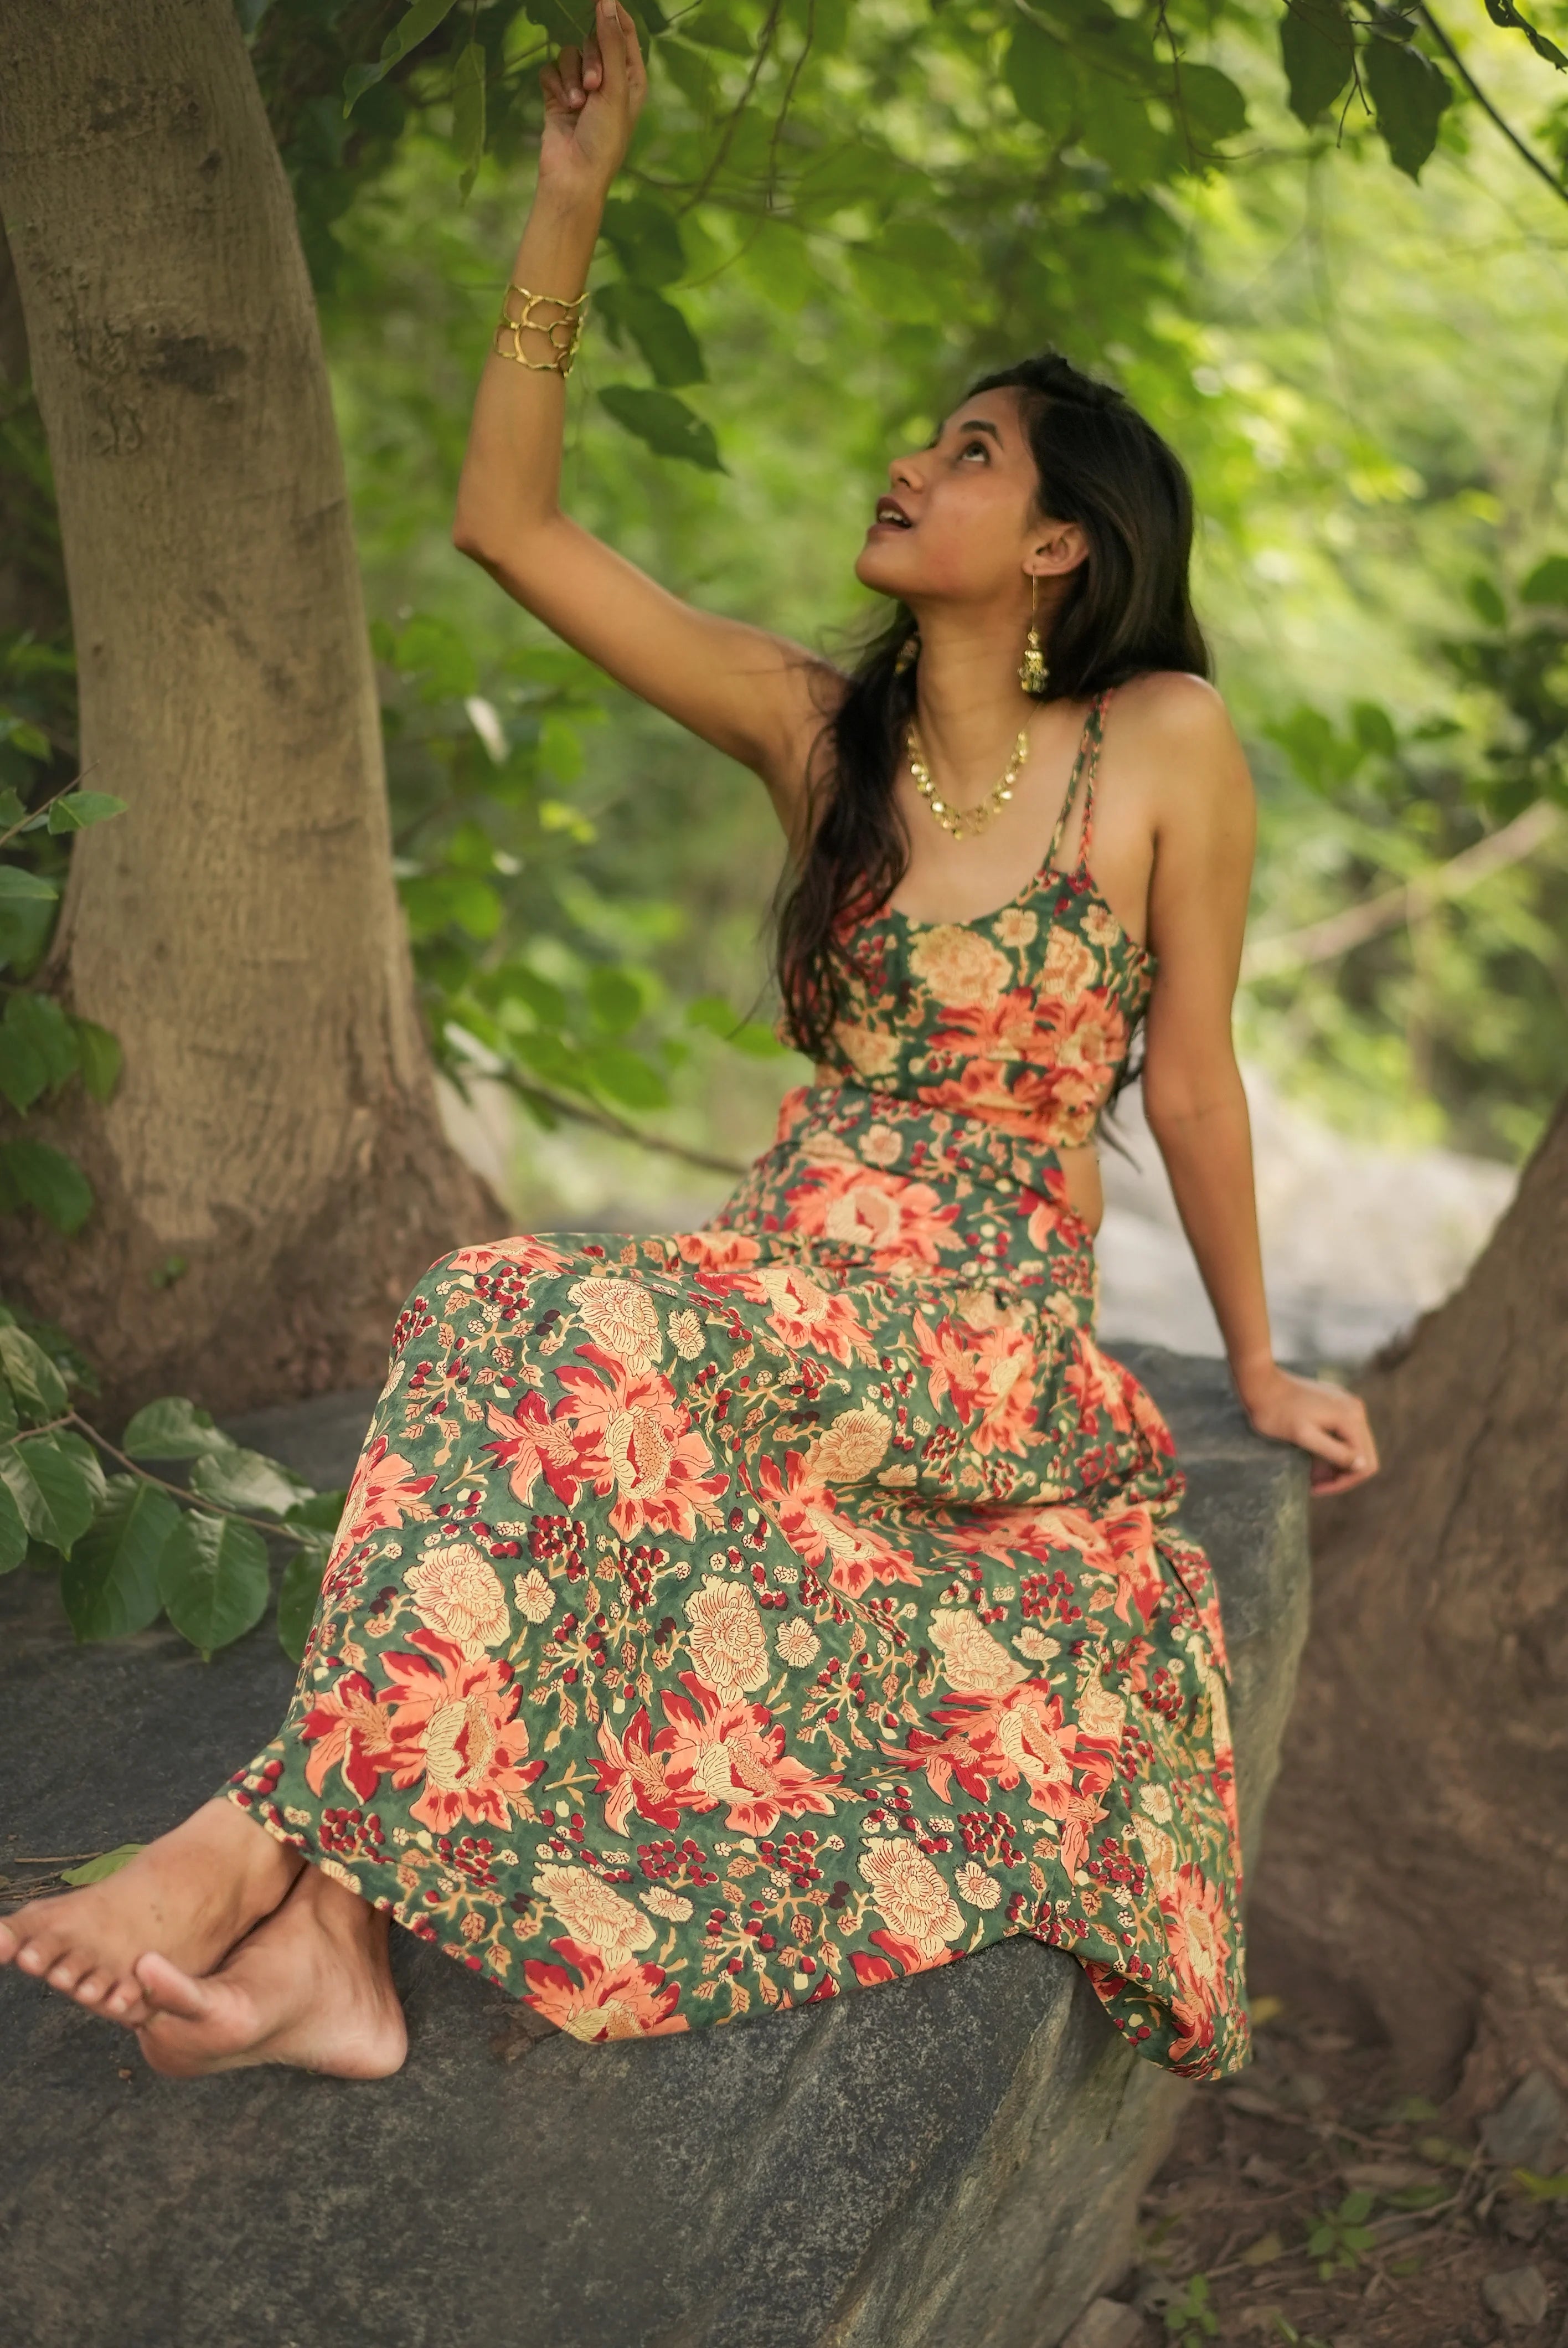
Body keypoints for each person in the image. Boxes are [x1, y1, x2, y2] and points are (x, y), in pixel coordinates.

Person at [0, 1, 1377, 2080]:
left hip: (970, 1326)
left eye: (974, 452)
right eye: (932, 437)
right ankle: (338, 1958)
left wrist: (1257, 1363)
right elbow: (511, 532)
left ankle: (227, 1859)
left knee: (538, 1327)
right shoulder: (823, 734)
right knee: (505, 1326)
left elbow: (1189, 1075)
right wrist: (570, 210)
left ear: (1063, 544)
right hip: (778, 1274)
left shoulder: (1162, 745)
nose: (915, 462)